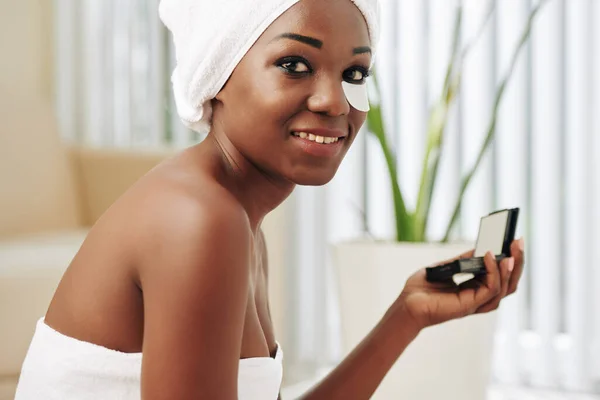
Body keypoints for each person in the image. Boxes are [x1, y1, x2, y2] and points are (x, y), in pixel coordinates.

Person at [14, 0, 525, 399]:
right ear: (217, 75)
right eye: (294, 64)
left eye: (354, 74)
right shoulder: (198, 219)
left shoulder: (235, 220)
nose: (333, 101)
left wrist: (407, 313)